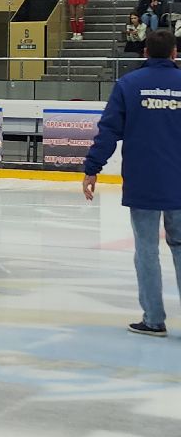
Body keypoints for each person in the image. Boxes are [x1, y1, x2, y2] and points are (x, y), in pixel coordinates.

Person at [83, 29, 181, 336]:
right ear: (174, 53)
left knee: (147, 250)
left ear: (145, 52)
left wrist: (92, 168)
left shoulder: (129, 84)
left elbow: (108, 130)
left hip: (144, 181)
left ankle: (153, 319)